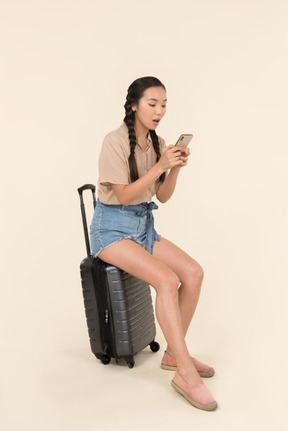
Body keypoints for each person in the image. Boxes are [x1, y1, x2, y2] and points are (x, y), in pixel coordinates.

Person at [90, 76, 218, 411]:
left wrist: (173, 169)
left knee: (193, 272)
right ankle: (185, 373)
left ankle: (175, 354)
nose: (159, 110)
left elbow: (161, 196)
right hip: (112, 232)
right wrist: (161, 165)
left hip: (142, 227)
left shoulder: (159, 143)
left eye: (163, 105)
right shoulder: (114, 141)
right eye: (152, 104)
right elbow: (124, 195)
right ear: (133, 105)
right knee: (166, 279)